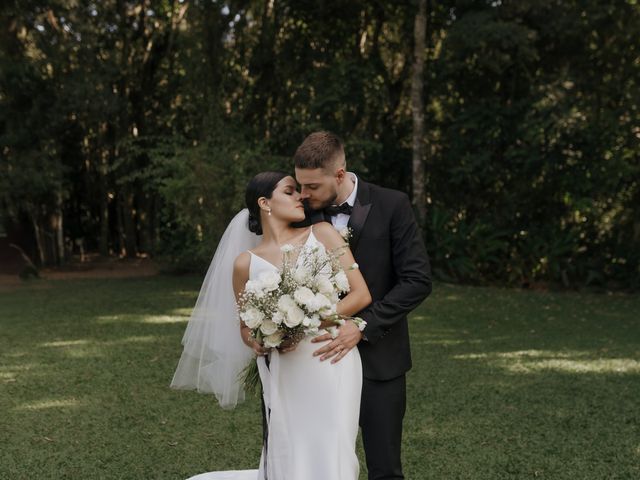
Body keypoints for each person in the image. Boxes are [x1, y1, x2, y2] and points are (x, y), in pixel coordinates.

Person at [171, 171, 371, 480]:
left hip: (331, 358)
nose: (300, 196)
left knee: (335, 446)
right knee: (289, 446)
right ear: (265, 202)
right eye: (290, 191)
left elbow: (360, 294)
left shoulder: (323, 234)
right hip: (284, 367)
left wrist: (307, 317)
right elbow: (245, 327)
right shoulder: (245, 264)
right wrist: (259, 340)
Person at [294, 131, 432, 480]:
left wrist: (363, 324)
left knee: (384, 469)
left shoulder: (392, 204)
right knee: (313, 465)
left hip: (380, 360)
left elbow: (417, 280)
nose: (303, 195)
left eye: (312, 187)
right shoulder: (300, 213)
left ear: (339, 175)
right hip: (313, 360)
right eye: (300, 185)